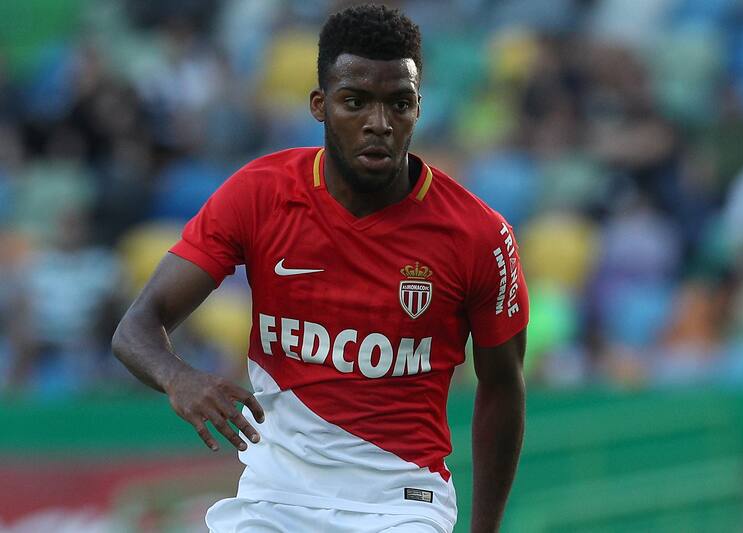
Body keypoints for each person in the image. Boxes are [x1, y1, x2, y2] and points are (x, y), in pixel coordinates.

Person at [112, 4, 528, 532]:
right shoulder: (259, 195)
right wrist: (180, 378)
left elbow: (502, 387)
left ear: (418, 108)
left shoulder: (478, 235)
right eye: (355, 102)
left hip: (401, 503)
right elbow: (137, 327)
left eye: (398, 104)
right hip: (273, 500)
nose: (378, 124)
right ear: (320, 104)